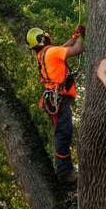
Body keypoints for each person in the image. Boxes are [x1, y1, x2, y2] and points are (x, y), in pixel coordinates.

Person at [27, 25, 84, 183]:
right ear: (42, 39)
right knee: (64, 132)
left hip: (55, 97)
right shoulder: (50, 52)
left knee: (63, 132)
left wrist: (75, 36)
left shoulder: (45, 53)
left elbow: (65, 48)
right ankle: (65, 171)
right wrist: (84, 37)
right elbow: (78, 49)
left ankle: (65, 168)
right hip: (58, 97)